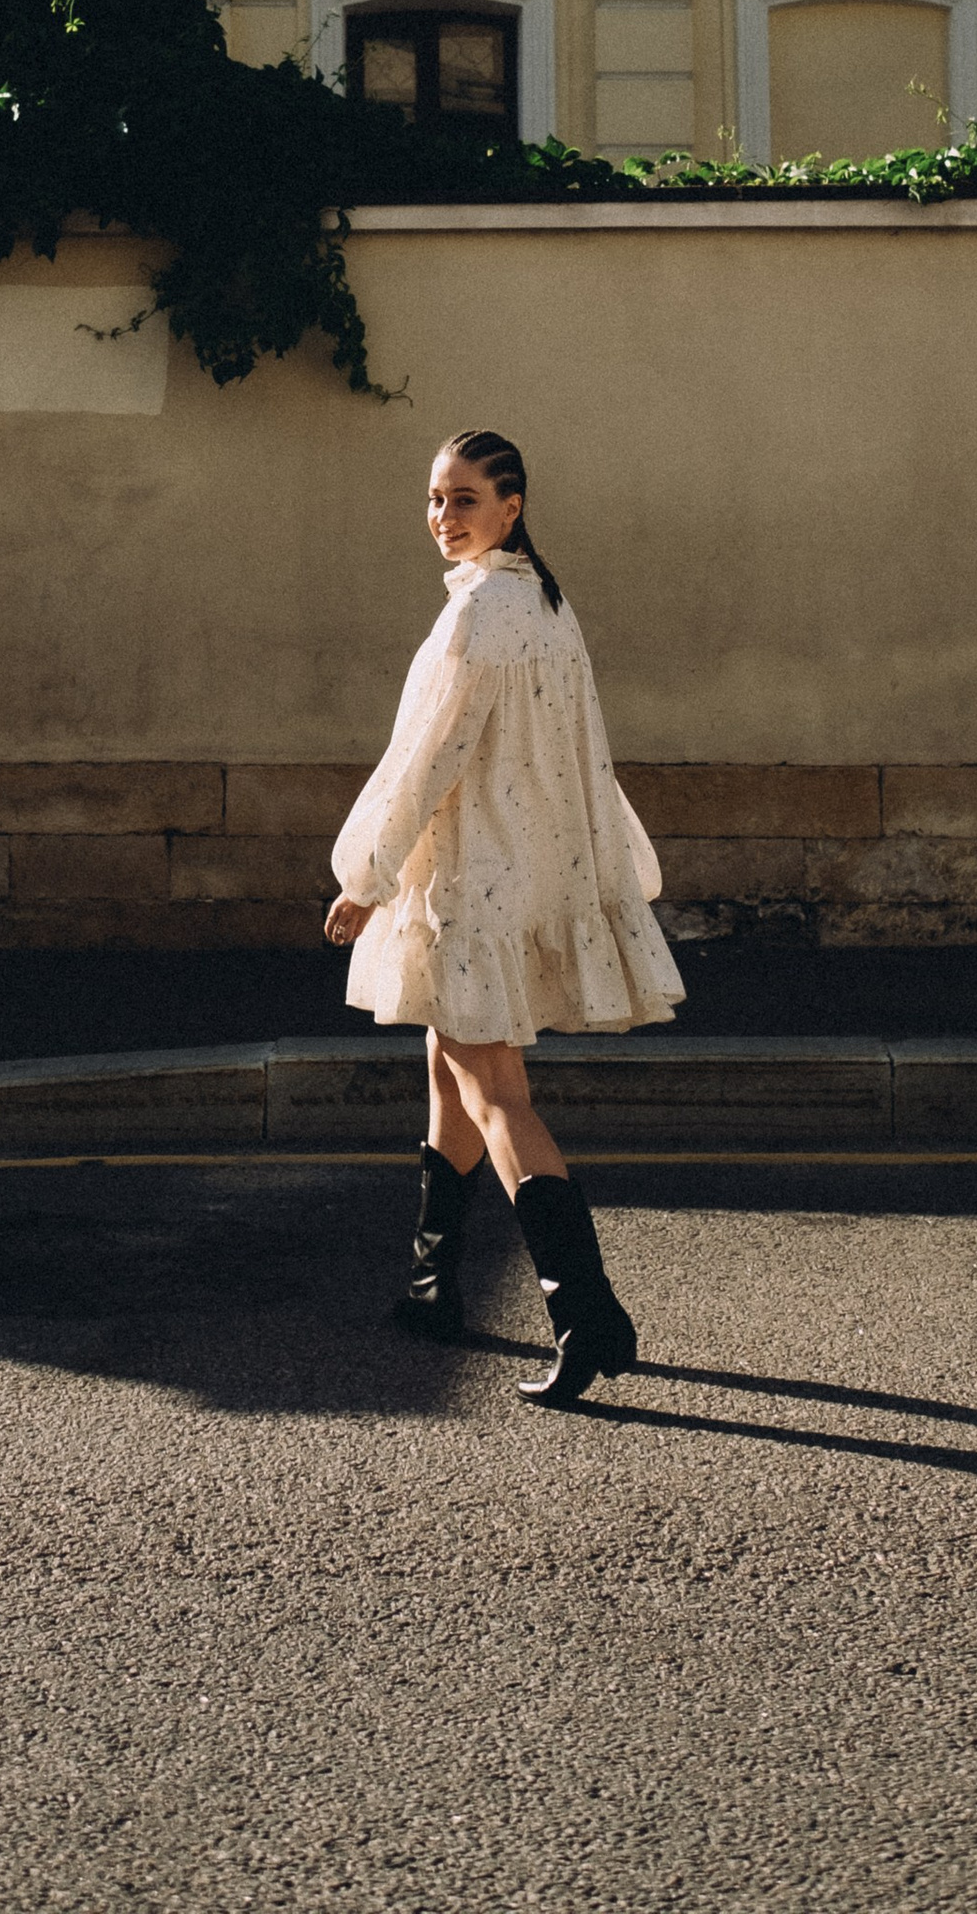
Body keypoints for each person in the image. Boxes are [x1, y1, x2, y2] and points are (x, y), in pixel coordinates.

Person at [324, 427, 685, 1407]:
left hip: (471, 884)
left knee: (496, 1095)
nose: (444, 516)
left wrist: (367, 876)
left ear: (511, 509)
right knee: (448, 1071)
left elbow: (429, 759)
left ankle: (586, 1314)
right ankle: (433, 1287)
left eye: (465, 499)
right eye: (435, 498)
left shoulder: (482, 612)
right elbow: (583, 757)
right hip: (514, 876)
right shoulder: (544, 605)